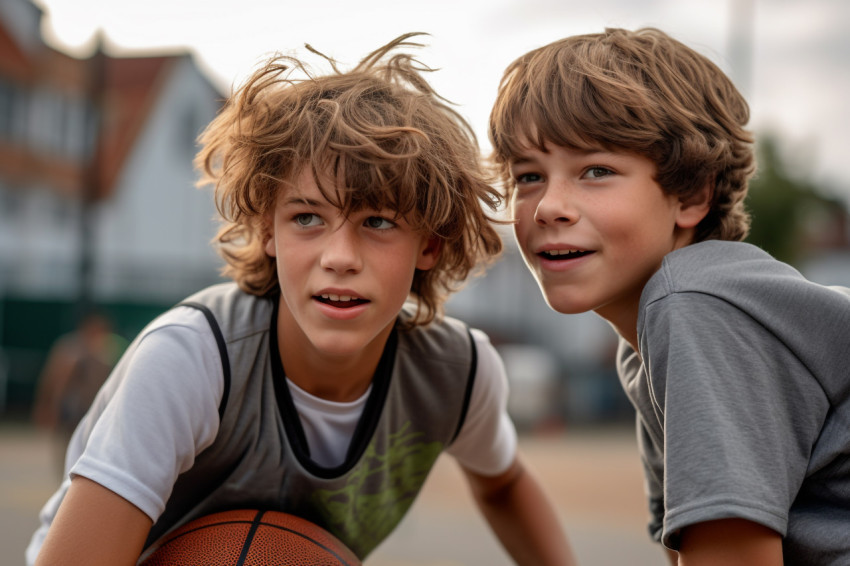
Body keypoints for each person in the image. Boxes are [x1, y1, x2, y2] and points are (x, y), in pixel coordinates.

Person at [27, 33, 575, 566]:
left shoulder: (457, 372)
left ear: (429, 243)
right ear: (269, 230)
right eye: (307, 217)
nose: (339, 256)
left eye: (378, 221)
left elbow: (503, 483)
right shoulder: (191, 359)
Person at [488, 27, 850, 565]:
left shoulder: (693, 304)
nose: (548, 207)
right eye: (529, 176)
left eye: (596, 171)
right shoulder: (646, 339)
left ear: (692, 195)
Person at [31, 311, 126, 477]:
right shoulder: (72, 349)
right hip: (75, 411)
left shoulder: (107, 350)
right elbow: (55, 380)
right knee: (72, 450)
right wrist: (49, 406)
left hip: (96, 410)